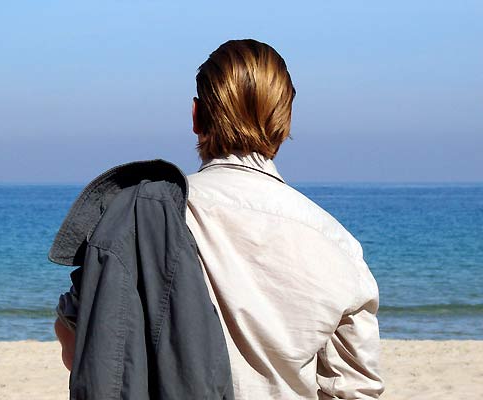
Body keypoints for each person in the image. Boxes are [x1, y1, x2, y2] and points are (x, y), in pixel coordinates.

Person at [56, 38, 384, 399]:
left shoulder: (143, 215)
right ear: (284, 123)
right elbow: (356, 390)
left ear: (196, 116)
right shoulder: (337, 246)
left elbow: (89, 349)